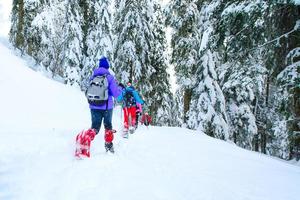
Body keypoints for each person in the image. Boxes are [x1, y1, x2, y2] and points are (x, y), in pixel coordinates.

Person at [88, 57, 121, 153]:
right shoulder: (109, 77)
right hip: (106, 107)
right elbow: (116, 94)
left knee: (94, 127)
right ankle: (109, 146)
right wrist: (120, 89)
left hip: (93, 106)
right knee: (108, 126)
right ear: (107, 67)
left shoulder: (93, 76)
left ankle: (85, 139)